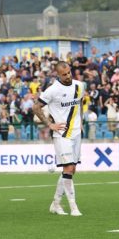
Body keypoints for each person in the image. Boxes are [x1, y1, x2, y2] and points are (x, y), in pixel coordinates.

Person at [33, 62, 84, 216]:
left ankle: (56, 204)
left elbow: (80, 103)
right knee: (68, 169)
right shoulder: (52, 90)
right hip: (62, 134)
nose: (68, 76)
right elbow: (36, 107)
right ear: (58, 75)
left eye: (69, 73)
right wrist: (50, 124)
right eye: (64, 74)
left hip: (76, 133)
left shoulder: (79, 85)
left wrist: (81, 122)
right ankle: (73, 207)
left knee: (71, 170)